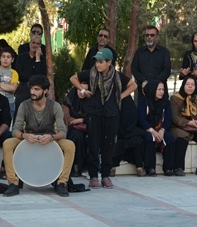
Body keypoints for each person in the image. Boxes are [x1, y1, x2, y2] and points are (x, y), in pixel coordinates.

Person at [70, 48, 137, 188]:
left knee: (109, 145)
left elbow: (133, 85)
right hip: (94, 113)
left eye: (101, 62)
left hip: (111, 113)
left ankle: (105, 175)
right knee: (93, 144)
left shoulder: (117, 76)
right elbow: (73, 78)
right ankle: (93, 175)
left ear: (109, 62)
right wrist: (82, 90)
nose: (98, 64)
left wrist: (121, 97)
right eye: (96, 62)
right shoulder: (91, 73)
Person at [2, 75, 74, 197]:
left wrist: (51, 137)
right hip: (29, 139)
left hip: (49, 139)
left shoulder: (54, 106)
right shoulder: (24, 105)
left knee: (70, 145)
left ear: (45, 91)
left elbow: (63, 132)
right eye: (31, 89)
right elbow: (15, 130)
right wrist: (24, 135)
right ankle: (13, 183)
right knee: (7, 143)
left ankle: (62, 183)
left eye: (36, 89)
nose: (32, 92)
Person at [170, 75, 197, 176]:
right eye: (187, 84)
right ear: (183, 85)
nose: (190, 87)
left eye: (193, 85)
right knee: (182, 136)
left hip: (196, 129)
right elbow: (175, 118)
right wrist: (189, 123)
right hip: (180, 127)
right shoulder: (175, 98)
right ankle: (178, 167)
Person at [138, 80, 175, 176]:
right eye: (159, 89)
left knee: (169, 137)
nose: (161, 92)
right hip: (148, 129)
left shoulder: (165, 102)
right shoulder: (143, 101)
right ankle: (150, 168)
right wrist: (152, 131)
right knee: (149, 138)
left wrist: (162, 130)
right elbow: (141, 119)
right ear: (152, 89)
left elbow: (168, 119)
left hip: (161, 128)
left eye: (163, 89)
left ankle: (168, 168)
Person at [131, 25, 171, 96]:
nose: (149, 37)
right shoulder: (139, 52)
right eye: (147, 35)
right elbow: (134, 69)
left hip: (160, 92)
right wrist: (143, 80)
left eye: (152, 35)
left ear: (157, 37)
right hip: (143, 92)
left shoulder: (164, 52)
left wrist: (155, 83)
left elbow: (167, 70)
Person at [112, 95, 146, 177]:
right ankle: (112, 167)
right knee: (115, 141)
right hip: (117, 131)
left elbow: (133, 118)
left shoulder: (130, 104)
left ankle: (139, 167)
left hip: (131, 130)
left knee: (137, 140)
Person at [13, 35, 46, 112]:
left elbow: (41, 76)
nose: (35, 45)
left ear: (40, 46)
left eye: (37, 44)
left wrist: (37, 59)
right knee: (19, 111)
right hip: (24, 88)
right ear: (29, 44)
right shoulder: (21, 58)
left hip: (37, 89)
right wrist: (34, 78)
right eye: (33, 43)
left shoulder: (42, 59)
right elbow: (19, 74)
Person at [62, 87, 88, 178]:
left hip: (90, 126)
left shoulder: (91, 101)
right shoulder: (69, 100)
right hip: (72, 128)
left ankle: (85, 167)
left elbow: (94, 116)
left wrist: (82, 120)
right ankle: (75, 166)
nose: (82, 93)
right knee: (76, 136)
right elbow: (67, 118)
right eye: (80, 90)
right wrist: (77, 121)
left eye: (85, 90)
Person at [0, 46, 19, 118]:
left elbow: (13, 88)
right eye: (3, 56)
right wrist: (7, 87)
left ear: (12, 59)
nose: (5, 59)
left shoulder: (14, 73)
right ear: (0, 58)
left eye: (8, 57)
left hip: (10, 103)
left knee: (7, 123)